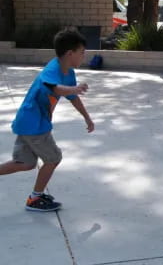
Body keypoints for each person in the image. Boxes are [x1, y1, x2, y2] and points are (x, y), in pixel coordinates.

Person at [0, 28, 95, 212]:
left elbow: (73, 97)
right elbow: (53, 87)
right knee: (53, 158)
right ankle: (35, 199)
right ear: (70, 53)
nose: (84, 56)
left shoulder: (68, 72)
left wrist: (87, 117)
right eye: (82, 53)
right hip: (35, 124)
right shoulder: (53, 69)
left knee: (26, 163)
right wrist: (73, 89)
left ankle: (35, 197)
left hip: (27, 122)